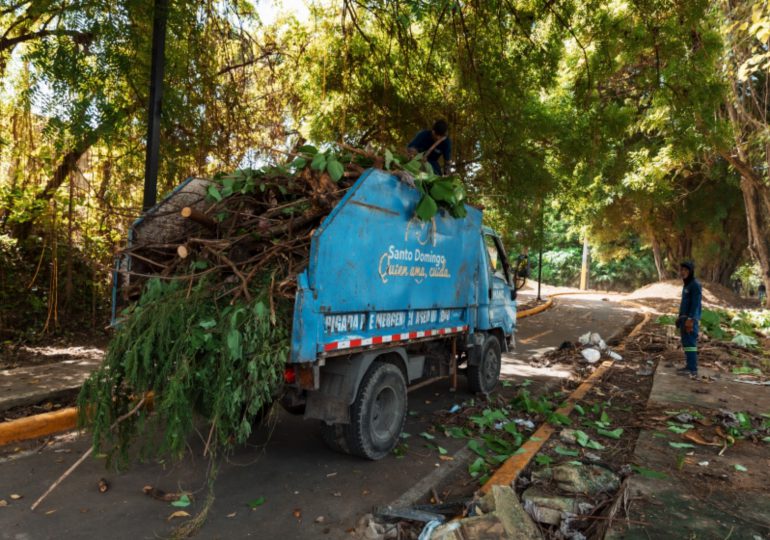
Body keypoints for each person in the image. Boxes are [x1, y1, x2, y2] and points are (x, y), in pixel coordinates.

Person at [676, 261, 702, 378]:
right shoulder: (687, 285)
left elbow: (695, 304)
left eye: (685, 270)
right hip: (684, 318)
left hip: (690, 320)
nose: (683, 272)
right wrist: (680, 317)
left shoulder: (695, 285)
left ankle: (693, 369)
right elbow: (685, 303)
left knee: (691, 343)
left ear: (690, 271)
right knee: (686, 343)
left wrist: (691, 319)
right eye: (681, 270)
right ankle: (688, 366)